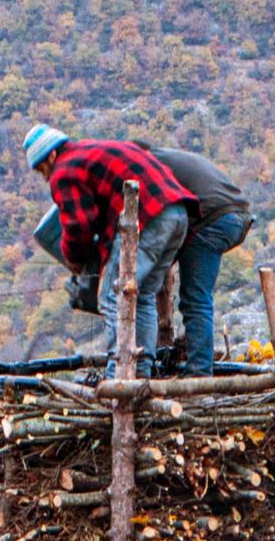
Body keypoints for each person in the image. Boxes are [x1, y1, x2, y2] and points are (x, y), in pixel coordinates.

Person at [23, 126, 196, 375]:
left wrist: (73, 258)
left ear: (51, 155)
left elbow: (79, 226)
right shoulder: (91, 150)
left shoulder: (64, 170)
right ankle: (142, 371)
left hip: (147, 217)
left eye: (42, 169)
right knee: (144, 295)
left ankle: (120, 373)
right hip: (178, 213)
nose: (45, 177)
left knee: (113, 296)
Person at [152, 144, 254, 374]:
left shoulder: (144, 167)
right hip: (234, 214)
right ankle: (194, 363)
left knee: (195, 298)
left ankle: (198, 373)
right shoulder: (161, 158)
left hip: (214, 218)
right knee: (196, 296)